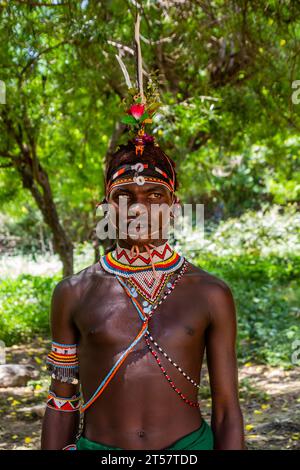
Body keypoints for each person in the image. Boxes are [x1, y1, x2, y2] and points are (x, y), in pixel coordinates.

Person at [40, 138, 245, 450]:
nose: (138, 208)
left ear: (174, 207)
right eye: (124, 196)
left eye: (154, 196)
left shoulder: (210, 294)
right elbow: (61, 400)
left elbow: (227, 410)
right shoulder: (73, 293)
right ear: (106, 209)